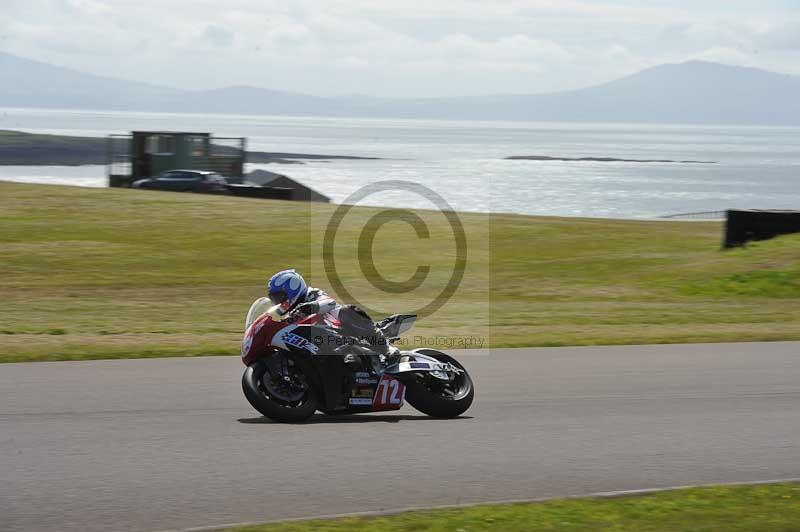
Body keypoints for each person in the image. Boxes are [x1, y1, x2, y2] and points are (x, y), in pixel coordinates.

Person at [266, 269, 385, 368]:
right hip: (318, 347)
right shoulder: (289, 313)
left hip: (341, 331)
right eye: (275, 299)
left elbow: (330, 303)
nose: (278, 302)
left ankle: (386, 348)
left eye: (280, 297)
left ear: (293, 289)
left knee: (347, 311)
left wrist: (310, 307)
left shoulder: (312, 294)